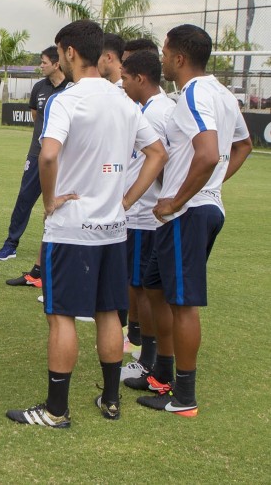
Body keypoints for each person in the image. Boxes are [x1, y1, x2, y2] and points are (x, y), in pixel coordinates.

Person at [6, 20, 167, 428]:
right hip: (113, 228)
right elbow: (157, 153)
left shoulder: (67, 100)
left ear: (70, 52)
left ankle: (56, 410)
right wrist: (126, 200)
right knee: (108, 312)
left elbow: (47, 156)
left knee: (60, 315)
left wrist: (48, 201)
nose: (59, 58)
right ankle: (110, 400)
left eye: (59, 52)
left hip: (71, 227)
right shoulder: (124, 101)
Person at [134, 25, 251, 417]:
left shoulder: (197, 94)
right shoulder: (220, 92)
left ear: (179, 57)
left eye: (165, 52)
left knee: (183, 304)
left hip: (188, 211)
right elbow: (243, 144)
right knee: (154, 286)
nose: (162, 59)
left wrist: (180, 198)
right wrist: (212, 186)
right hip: (196, 207)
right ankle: (162, 372)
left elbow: (206, 153)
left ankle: (184, 397)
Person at [118, 50, 175, 382]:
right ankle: (148, 354)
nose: (122, 84)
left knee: (144, 288)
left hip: (144, 215)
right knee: (144, 287)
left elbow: (163, 160)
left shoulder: (155, 115)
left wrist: (133, 200)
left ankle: (148, 358)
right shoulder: (155, 110)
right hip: (147, 214)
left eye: (125, 78)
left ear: (140, 79)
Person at [0, 47, 70, 287]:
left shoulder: (71, 87)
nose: (41, 66)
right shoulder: (39, 88)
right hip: (37, 152)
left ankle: (54, 255)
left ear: (57, 64)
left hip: (62, 156)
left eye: (44, 62)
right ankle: (11, 244)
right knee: (24, 198)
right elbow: (36, 116)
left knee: (58, 203)